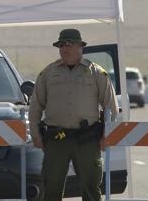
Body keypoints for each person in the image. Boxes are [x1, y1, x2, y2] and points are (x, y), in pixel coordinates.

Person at [29, 28, 117, 201]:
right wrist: (35, 134)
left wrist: (107, 136)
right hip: (56, 139)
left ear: (80, 46)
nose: (64, 48)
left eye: (69, 44)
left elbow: (110, 107)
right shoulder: (47, 73)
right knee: (51, 187)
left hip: (87, 139)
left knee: (91, 188)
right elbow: (35, 107)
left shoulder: (96, 72)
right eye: (61, 45)